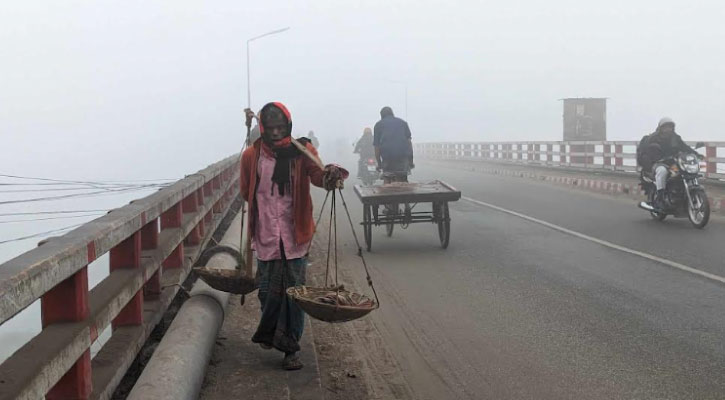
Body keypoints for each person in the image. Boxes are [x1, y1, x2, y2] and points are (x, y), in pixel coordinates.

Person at [240, 102, 347, 370]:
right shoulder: (251, 157)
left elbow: (319, 177)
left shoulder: (302, 152)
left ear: (288, 125)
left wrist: (331, 176)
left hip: (295, 234)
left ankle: (291, 349)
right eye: (271, 128)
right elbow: (246, 191)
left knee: (295, 294)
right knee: (267, 292)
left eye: (280, 127)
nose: (276, 133)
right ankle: (270, 332)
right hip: (265, 233)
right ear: (262, 129)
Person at [638, 117, 700, 210]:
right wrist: (654, 157)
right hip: (658, 163)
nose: (668, 129)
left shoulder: (675, 138)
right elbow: (647, 151)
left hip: (673, 162)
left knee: (684, 172)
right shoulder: (653, 138)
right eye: (665, 127)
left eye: (670, 127)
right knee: (662, 171)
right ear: (660, 128)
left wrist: (696, 154)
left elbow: (684, 147)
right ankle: (660, 198)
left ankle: (679, 195)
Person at [373, 106, 414, 183]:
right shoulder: (403, 123)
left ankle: (387, 188)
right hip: (403, 157)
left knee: (387, 180)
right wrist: (411, 161)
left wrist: (379, 164)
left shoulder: (378, 125)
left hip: (387, 159)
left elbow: (377, 147)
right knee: (403, 181)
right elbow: (409, 144)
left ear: (381, 115)